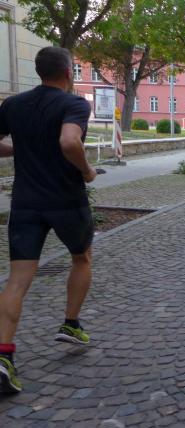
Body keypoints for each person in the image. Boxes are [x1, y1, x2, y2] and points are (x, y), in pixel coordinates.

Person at [0, 47, 98, 395]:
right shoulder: (74, 104)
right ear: (68, 72)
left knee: (17, 280)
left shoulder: (13, 105)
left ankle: (4, 356)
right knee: (81, 257)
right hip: (67, 201)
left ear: (39, 71)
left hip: (26, 204)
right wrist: (86, 170)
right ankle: (71, 323)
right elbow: (69, 141)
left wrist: (20, 148)